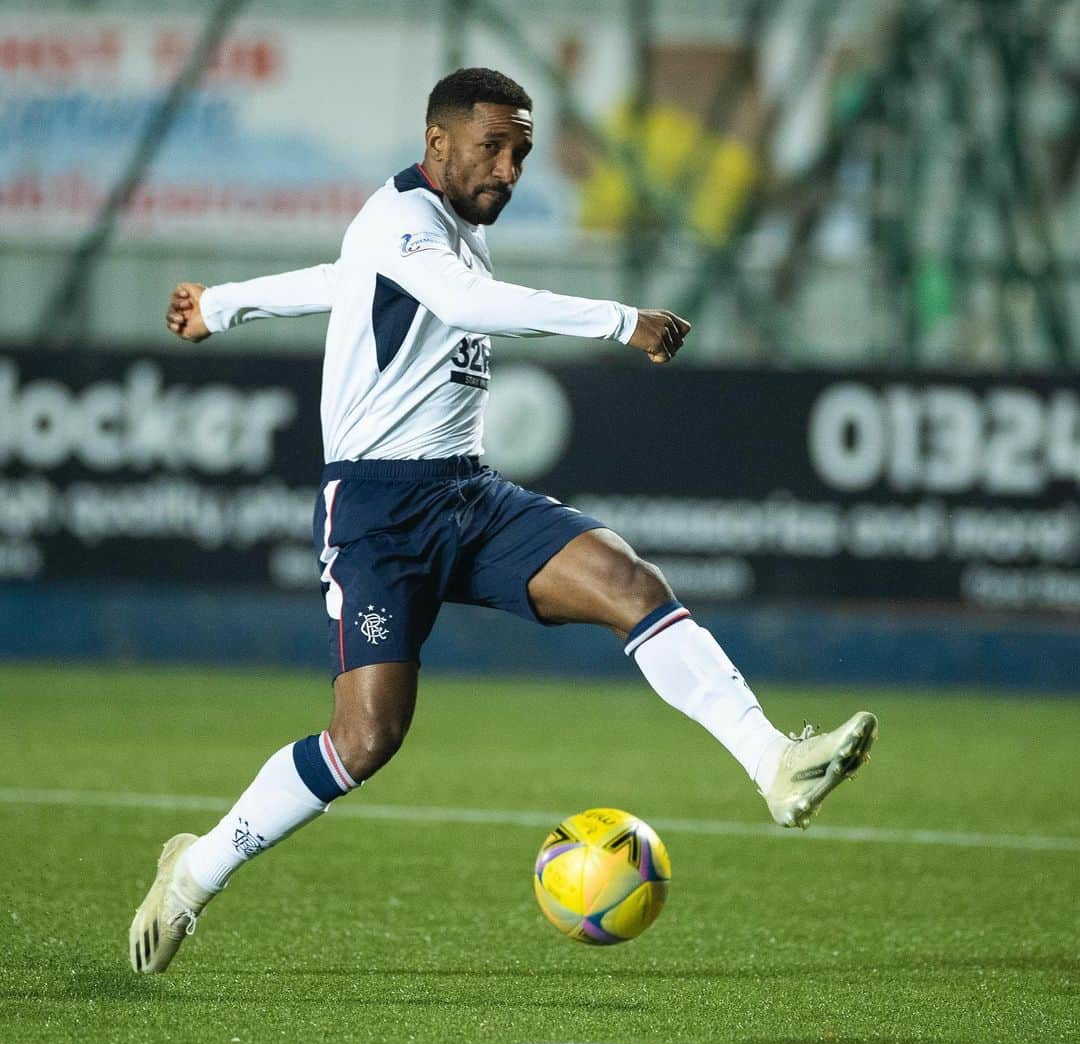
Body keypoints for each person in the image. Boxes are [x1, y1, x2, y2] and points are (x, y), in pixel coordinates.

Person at [130, 67, 877, 975]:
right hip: (380, 513)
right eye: (494, 146)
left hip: (468, 495)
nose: (511, 169)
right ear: (437, 141)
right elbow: (463, 304)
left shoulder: (437, 232)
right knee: (367, 740)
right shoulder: (401, 219)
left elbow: (346, 281)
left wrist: (223, 302)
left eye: (521, 150)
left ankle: (773, 763)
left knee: (630, 584)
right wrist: (619, 320)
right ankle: (194, 871)